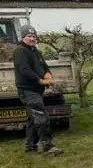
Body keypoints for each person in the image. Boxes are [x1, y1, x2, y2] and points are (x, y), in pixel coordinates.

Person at [13, 25, 63, 155]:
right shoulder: (20, 51)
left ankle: (30, 146)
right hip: (27, 90)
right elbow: (25, 70)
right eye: (29, 36)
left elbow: (44, 66)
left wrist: (48, 74)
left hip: (37, 91)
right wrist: (39, 80)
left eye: (34, 36)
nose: (32, 38)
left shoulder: (36, 51)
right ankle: (48, 147)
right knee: (42, 116)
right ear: (23, 37)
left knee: (32, 118)